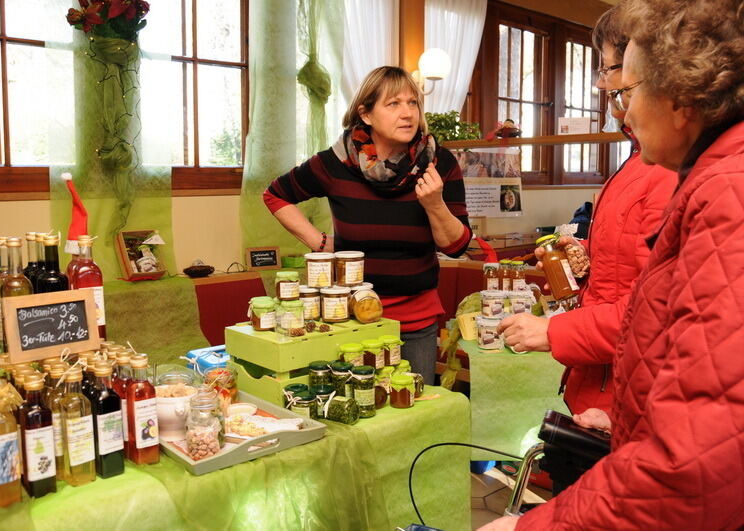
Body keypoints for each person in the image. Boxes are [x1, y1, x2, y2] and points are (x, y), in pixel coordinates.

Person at [482, 0, 744, 528]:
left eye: (629, 89)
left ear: (681, 97)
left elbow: (693, 465)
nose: (620, 107)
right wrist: (630, 416)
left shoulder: (726, 191)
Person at [497, 5, 677, 419]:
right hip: (603, 380)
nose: (603, 85)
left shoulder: (668, 168)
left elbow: (655, 311)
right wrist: (581, 260)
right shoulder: (639, 159)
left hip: (633, 389)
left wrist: (553, 331)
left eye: (611, 72)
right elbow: (629, 270)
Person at [263, 66, 472, 384]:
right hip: (350, 319)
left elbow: (455, 247)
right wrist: (320, 243)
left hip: (415, 322)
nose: (407, 114)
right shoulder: (335, 163)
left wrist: (434, 204)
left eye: (412, 103)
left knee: (415, 416)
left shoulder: (438, 163)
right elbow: (275, 195)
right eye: (393, 104)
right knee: (359, 413)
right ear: (367, 114)